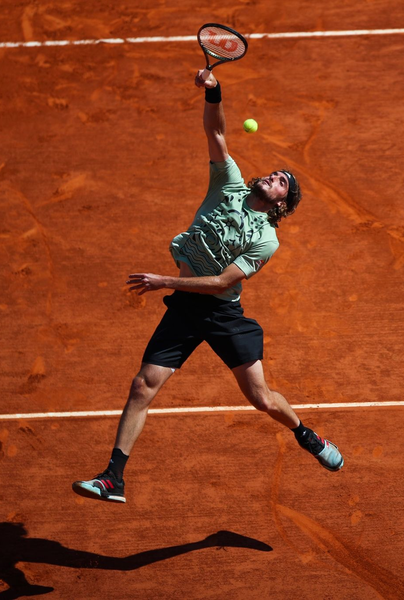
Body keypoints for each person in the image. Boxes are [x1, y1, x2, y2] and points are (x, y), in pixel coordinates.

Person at [72, 68, 344, 504]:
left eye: (282, 182)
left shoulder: (266, 239)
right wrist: (215, 90)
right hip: (185, 307)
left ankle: (306, 435)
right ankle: (113, 478)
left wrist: (164, 279)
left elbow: (221, 283)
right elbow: (216, 132)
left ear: (281, 204)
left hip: (220, 313)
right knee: (143, 385)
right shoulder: (229, 184)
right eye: (275, 173)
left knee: (262, 399)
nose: (274, 176)